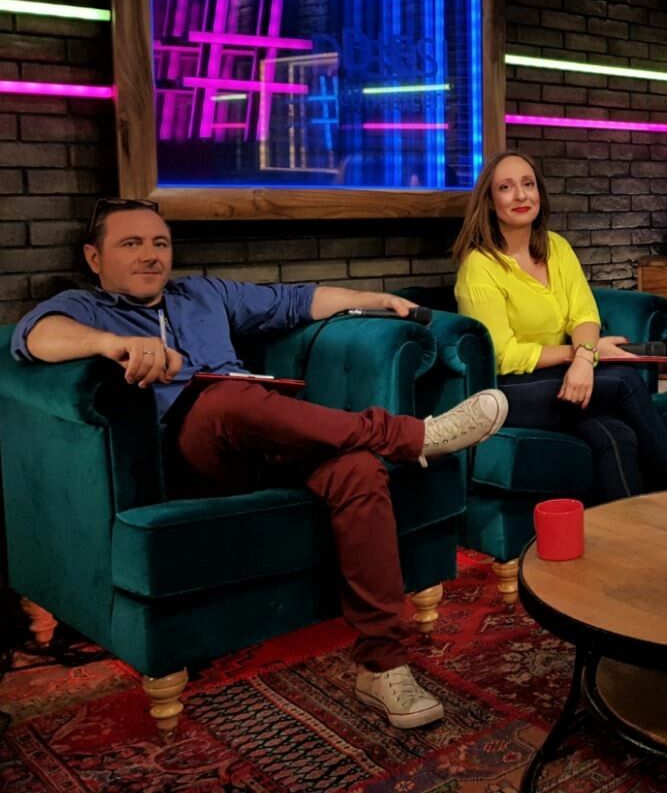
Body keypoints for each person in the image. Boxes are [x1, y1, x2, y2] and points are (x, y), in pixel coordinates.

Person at [10, 198, 509, 730]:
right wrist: (113, 343)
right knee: (226, 398)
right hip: (192, 456)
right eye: (131, 244)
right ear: (95, 257)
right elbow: (31, 338)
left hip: (264, 439)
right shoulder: (85, 308)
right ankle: (411, 436)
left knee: (358, 470)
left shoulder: (201, 294)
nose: (150, 255)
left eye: (160, 243)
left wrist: (376, 298)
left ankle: (382, 664)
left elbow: (297, 300)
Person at [452, 151, 667, 500]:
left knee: (617, 436)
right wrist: (580, 355)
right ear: (489, 202)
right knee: (623, 380)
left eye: (528, 184)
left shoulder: (557, 248)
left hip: (560, 377)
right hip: (507, 390)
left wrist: (583, 359)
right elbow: (502, 355)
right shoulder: (480, 266)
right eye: (505, 187)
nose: (520, 195)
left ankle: (628, 534)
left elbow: (584, 314)